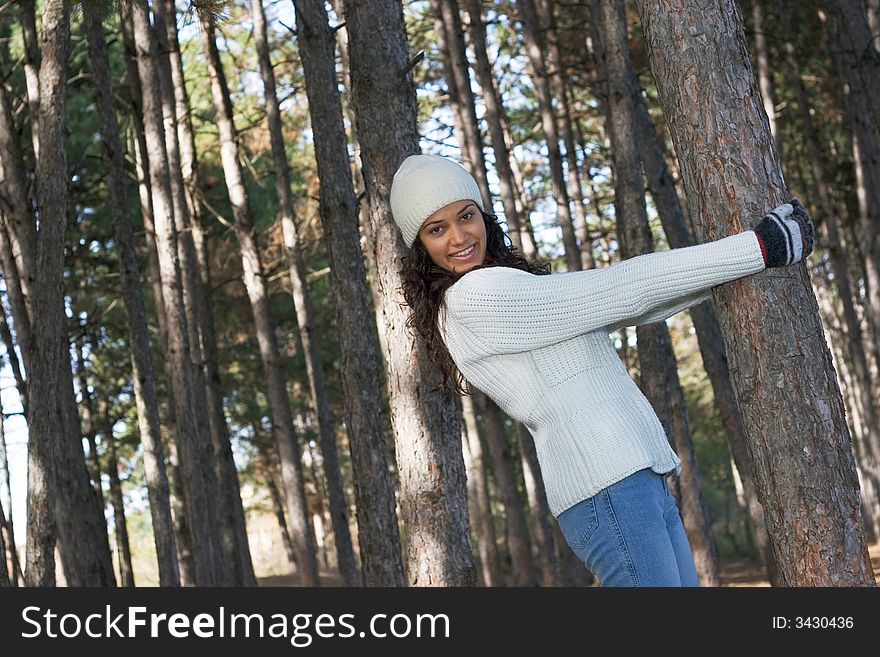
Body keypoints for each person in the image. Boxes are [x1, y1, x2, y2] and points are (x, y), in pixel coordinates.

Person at [390, 153, 813, 587]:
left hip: (628, 483)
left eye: (467, 216)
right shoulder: (475, 298)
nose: (460, 236)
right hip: (608, 489)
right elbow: (622, 288)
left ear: (484, 215)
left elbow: (638, 305)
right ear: (420, 246)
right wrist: (759, 248)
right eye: (437, 229)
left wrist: (733, 270)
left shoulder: (503, 286)